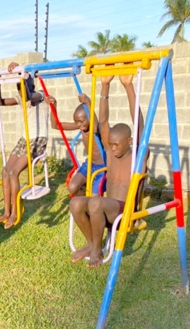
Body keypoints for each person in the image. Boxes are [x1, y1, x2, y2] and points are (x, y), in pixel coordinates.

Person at [69, 74, 145, 268]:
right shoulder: (111, 154)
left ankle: (96, 250)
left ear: (130, 142)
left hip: (124, 212)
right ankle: (92, 244)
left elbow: (138, 122)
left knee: (95, 202)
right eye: (109, 144)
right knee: (76, 203)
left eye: (116, 145)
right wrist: (104, 86)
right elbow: (103, 122)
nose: (111, 149)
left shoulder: (138, 154)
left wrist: (128, 86)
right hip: (105, 208)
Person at [0, 61, 49, 229]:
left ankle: (16, 213)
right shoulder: (22, 96)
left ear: (30, 82)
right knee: (6, 170)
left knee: (14, 172)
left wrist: (19, 77)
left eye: (24, 80)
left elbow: (28, 96)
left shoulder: (39, 95)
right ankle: (6, 212)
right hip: (25, 139)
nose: (22, 84)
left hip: (38, 139)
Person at [46, 93, 106, 196]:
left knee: (95, 197)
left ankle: (91, 206)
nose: (79, 125)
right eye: (76, 122)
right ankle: (84, 206)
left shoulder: (98, 127)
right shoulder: (81, 126)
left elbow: (95, 127)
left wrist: (88, 103)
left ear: (89, 117)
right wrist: (53, 106)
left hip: (102, 167)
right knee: (72, 187)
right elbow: (55, 125)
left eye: (81, 121)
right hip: (90, 164)